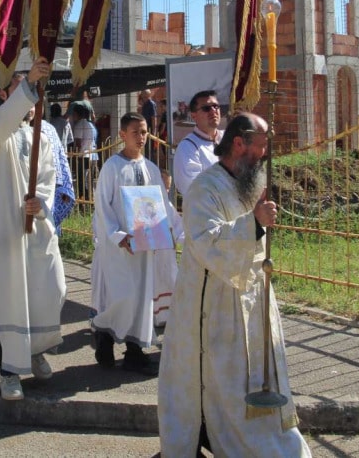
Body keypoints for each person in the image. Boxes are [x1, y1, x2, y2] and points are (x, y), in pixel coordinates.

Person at [158, 113, 313, 457]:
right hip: (213, 306)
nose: (265, 153)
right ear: (239, 144)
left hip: (253, 297)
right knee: (221, 382)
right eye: (260, 145)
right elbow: (204, 242)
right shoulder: (205, 188)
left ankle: (257, 438)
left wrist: (259, 225)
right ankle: (218, 438)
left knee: (255, 376)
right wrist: (254, 225)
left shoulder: (248, 182)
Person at [0, 57, 65, 401]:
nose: (28, 97)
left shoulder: (42, 136)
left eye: (30, 90)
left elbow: (48, 178)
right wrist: (30, 82)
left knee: (51, 288)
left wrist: (41, 203)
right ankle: (8, 370)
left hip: (38, 231)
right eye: (17, 87)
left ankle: (35, 350)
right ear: (4, 95)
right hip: (6, 234)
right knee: (9, 300)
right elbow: (5, 124)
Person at [90, 112, 172, 375]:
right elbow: (102, 206)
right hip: (121, 247)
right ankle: (104, 334)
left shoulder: (150, 168)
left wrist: (165, 230)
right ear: (123, 135)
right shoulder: (112, 167)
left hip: (145, 244)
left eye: (145, 131)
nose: (141, 137)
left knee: (142, 298)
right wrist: (117, 236)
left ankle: (134, 351)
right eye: (135, 132)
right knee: (122, 296)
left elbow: (160, 203)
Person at [160, 89, 224, 325]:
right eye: (206, 108)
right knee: (202, 292)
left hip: (231, 229)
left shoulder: (228, 141)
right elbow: (195, 189)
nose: (213, 112)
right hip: (204, 230)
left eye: (216, 107)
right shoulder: (188, 148)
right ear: (194, 115)